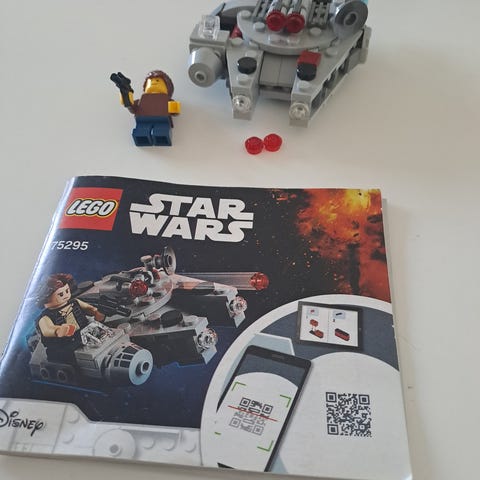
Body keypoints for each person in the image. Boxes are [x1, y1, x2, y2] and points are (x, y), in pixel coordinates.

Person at [36, 273, 105, 363]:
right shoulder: (46, 316)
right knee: (71, 358)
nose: (65, 295)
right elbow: (47, 329)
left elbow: (89, 308)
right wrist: (58, 330)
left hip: (85, 334)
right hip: (63, 345)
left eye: (67, 291)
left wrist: (96, 312)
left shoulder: (74, 303)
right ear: (46, 297)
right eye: (61, 294)